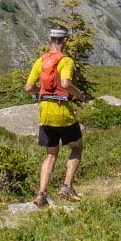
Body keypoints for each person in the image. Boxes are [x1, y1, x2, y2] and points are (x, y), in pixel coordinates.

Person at [23, 25, 84, 206]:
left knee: (51, 154)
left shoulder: (40, 61)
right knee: (77, 147)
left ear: (51, 40)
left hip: (45, 113)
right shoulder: (66, 61)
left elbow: (27, 87)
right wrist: (79, 94)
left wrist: (39, 93)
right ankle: (67, 186)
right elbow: (65, 83)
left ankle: (41, 195)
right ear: (65, 40)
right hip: (62, 111)